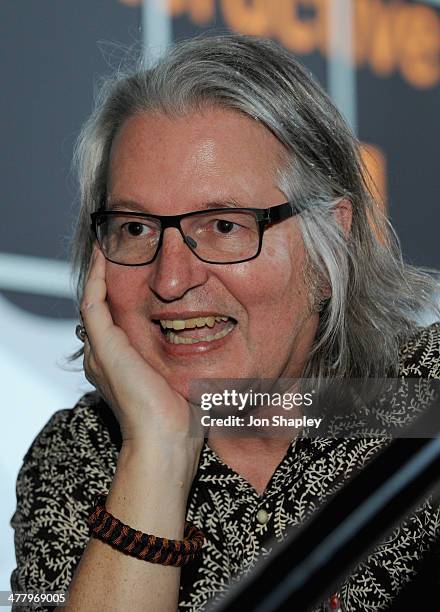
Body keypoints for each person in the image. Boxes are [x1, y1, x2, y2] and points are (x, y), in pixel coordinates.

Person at [10, 34, 440, 612]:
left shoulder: (427, 392)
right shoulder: (78, 459)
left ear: (330, 238)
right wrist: (158, 452)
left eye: (224, 226)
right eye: (135, 228)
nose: (170, 279)